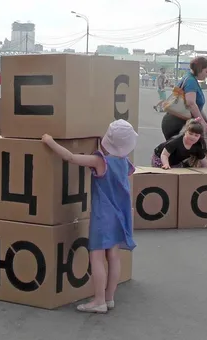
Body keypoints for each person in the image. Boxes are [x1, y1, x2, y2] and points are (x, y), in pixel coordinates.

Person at [41, 119, 138, 314]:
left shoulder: (99, 161)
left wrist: (49, 141)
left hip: (103, 216)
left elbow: (70, 157)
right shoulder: (124, 161)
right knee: (114, 256)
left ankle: (99, 300)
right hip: (120, 214)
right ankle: (109, 297)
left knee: (96, 257)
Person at [161, 57, 207, 140]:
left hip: (177, 120)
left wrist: (205, 120)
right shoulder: (191, 81)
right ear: (199, 69)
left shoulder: (189, 78)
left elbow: (197, 106)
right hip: (178, 123)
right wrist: (203, 123)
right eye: (206, 71)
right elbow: (191, 103)